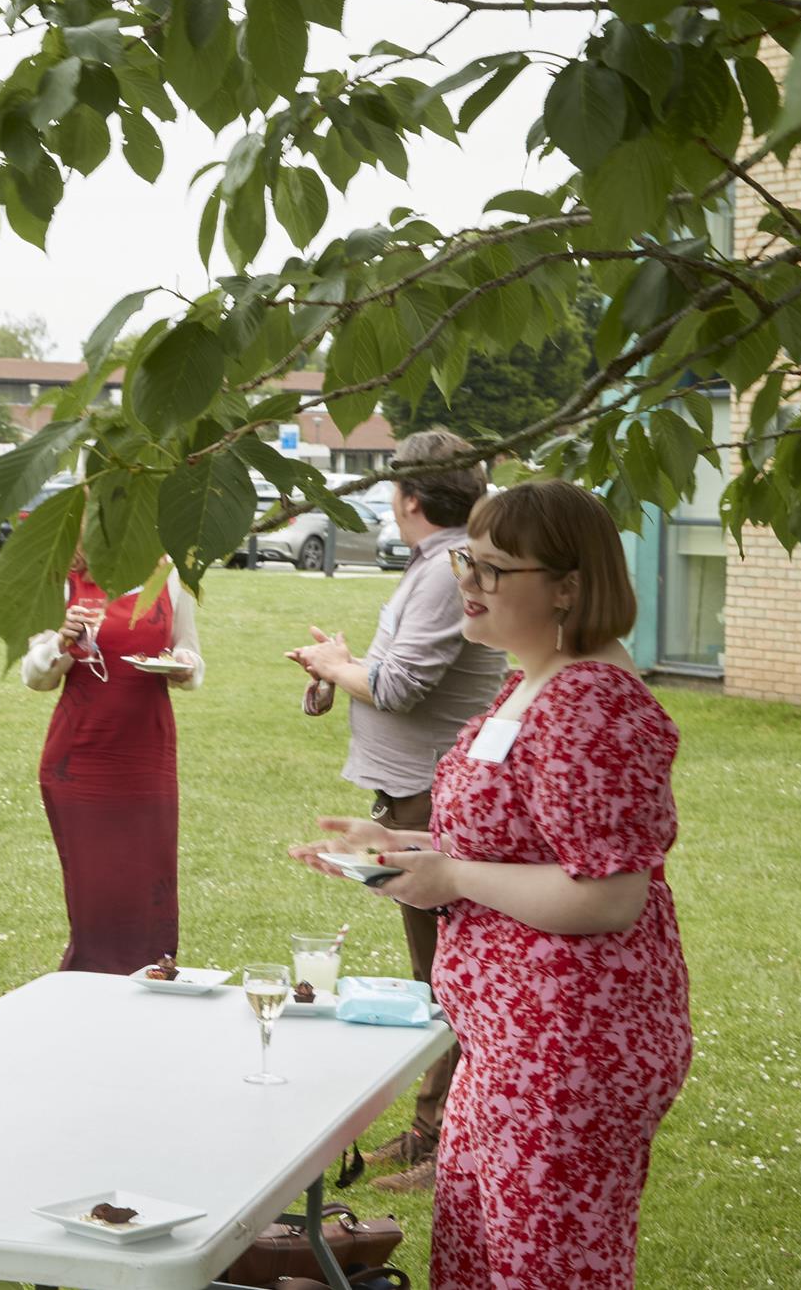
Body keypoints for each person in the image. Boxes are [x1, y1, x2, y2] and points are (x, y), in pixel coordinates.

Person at [292, 481, 693, 1290]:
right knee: (483, 1260)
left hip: (570, 1046)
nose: (464, 581)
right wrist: (406, 847)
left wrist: (450, 874)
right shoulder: (533, 678)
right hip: (508, 1042)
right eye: (467, 559)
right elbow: (516, 839)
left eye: (494, 568)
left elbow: (612, 893)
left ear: (568, 588)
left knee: (543, 1270)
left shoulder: (593, 703)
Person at [282, 430, 508, 1192]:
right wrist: (336, 670)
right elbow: (391, 674)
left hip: (435, 793)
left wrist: (337, 666)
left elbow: (401, 686)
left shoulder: (446, 569)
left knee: (446, 973)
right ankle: (431, 1130)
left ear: (407, 496)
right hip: (417, 789)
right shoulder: (437, 564)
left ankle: (443, 1139)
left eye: (391, 487)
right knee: (435, 971)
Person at [21, 551, 203, 973]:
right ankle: (88, 1000)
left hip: (147, 756)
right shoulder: (59, 575)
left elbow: (190, 654)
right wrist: (60, 643)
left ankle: (153, 987)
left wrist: (184, 668)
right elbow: (34, 676)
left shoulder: (171, 574)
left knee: (151, 896)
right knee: (97, 905)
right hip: (81, 760)